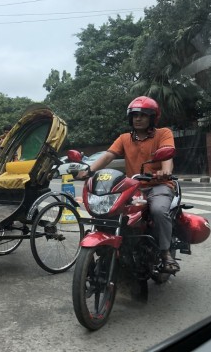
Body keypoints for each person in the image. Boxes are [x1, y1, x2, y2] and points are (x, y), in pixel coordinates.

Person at [77, 96, 179, 274]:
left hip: (158, 185)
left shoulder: (164, 133)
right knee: (112, 211)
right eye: (134, 115)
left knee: (158, 210)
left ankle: (165, 252)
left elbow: (167, 156)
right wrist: (89, 170)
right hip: (134, 187)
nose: (138, 118)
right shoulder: (124, 138)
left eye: (143, 115)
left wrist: (165, 171)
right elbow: (109, 156)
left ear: (152, 118)